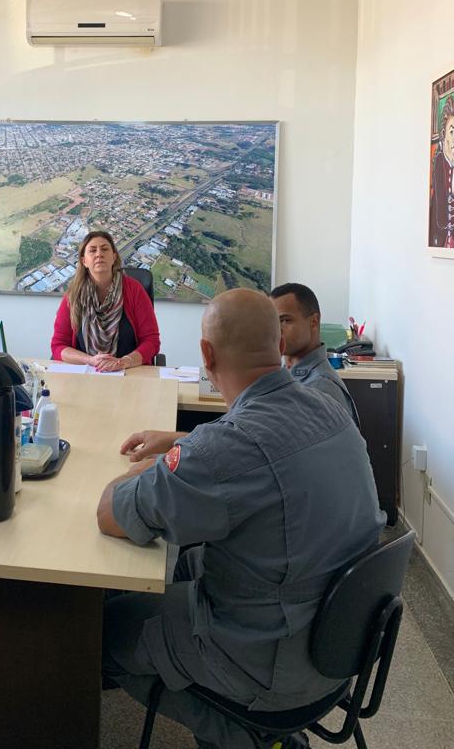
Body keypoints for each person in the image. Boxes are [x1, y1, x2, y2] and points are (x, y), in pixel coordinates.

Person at [97, 289, 384, 749]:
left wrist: (139, 472)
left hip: (270, 667)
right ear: (278, 342)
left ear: (206, 354)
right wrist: (177, 456)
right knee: (173, 572)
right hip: (340, 651)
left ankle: (249, 737)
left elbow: (112, 513)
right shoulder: (331, 407)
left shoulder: (225, 450)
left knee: (100, 632)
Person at [51, 230, 160, 371]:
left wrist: (124, 362)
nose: (99, 254)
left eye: (104, 249)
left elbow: (151, 341)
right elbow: (58, 345)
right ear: (84, 261)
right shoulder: (73, 295)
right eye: (92, 250)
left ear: (114, 257)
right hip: (86, 373)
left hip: (129, 372)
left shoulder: (134, 290)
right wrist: (90, 360)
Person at [270, 281, 360, 426]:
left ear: (314, 322)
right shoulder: (287, 374)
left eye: (285, 320)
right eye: (273, 321)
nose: (277, 329)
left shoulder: (318, 389)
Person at [429, 94, 454, 248]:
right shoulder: (439, 162)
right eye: (452, 132)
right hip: (441, 242)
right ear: (444, 135)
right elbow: (441, 220)